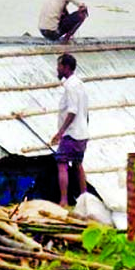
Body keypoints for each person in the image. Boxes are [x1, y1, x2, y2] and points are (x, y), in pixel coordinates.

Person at [49, 53, 89, 207]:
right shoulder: (80, 85)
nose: (57, 69)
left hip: (71, 134)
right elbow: (85, 111)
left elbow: (72, 111)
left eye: (59, 66)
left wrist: (60, 133)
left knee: (62, 163)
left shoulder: (70, 86)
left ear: (66, 67)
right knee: (78, 164)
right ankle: (84, 198)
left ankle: (64, 200)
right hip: (82, 133)